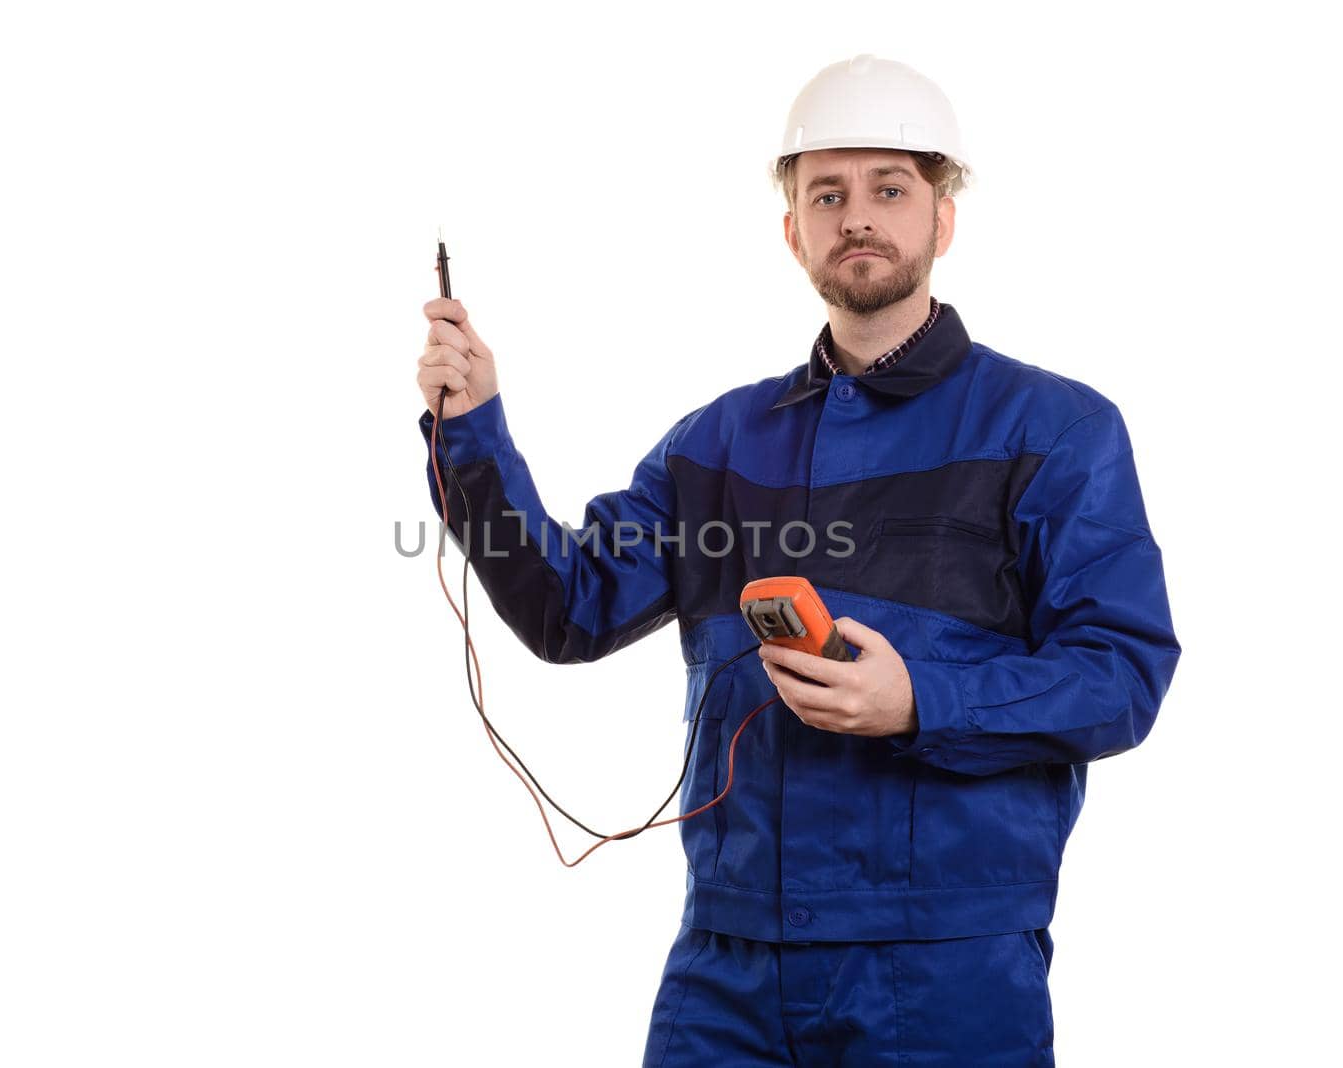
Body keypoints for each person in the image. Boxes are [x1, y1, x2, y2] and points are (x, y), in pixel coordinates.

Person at [414, 54, 1180, 1067]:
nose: (855, 215)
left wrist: (921, 700)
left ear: (942, 219)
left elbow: (1120, 677)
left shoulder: (1057, 430)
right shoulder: (717, 444)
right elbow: (571, 607)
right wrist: (470, 432)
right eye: (827, 193)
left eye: (888, 188)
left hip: (944, 964)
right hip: (726, 968)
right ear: (793, 231)